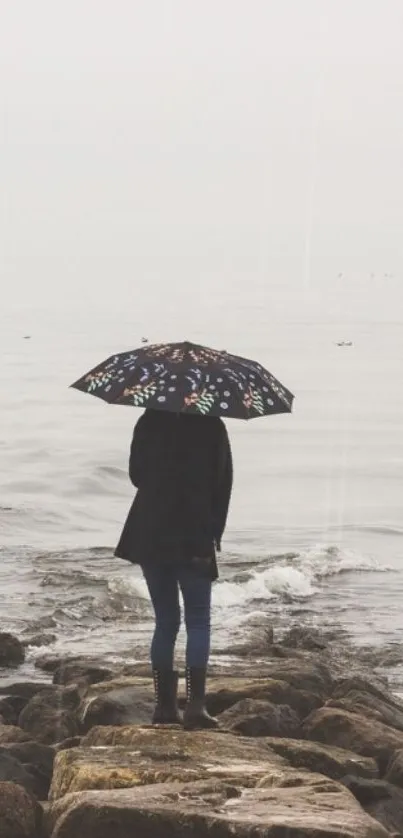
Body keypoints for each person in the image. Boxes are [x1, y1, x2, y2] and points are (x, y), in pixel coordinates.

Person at [115, 408, 233, 729]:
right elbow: (222, 483)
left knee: (166, 620)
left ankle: (164, 708)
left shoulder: (150, 418)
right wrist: (213, 531)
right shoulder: (212, 426)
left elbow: (136, 475)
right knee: (198, 620)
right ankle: (195, 708)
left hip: (149, 530)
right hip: (194, 532)